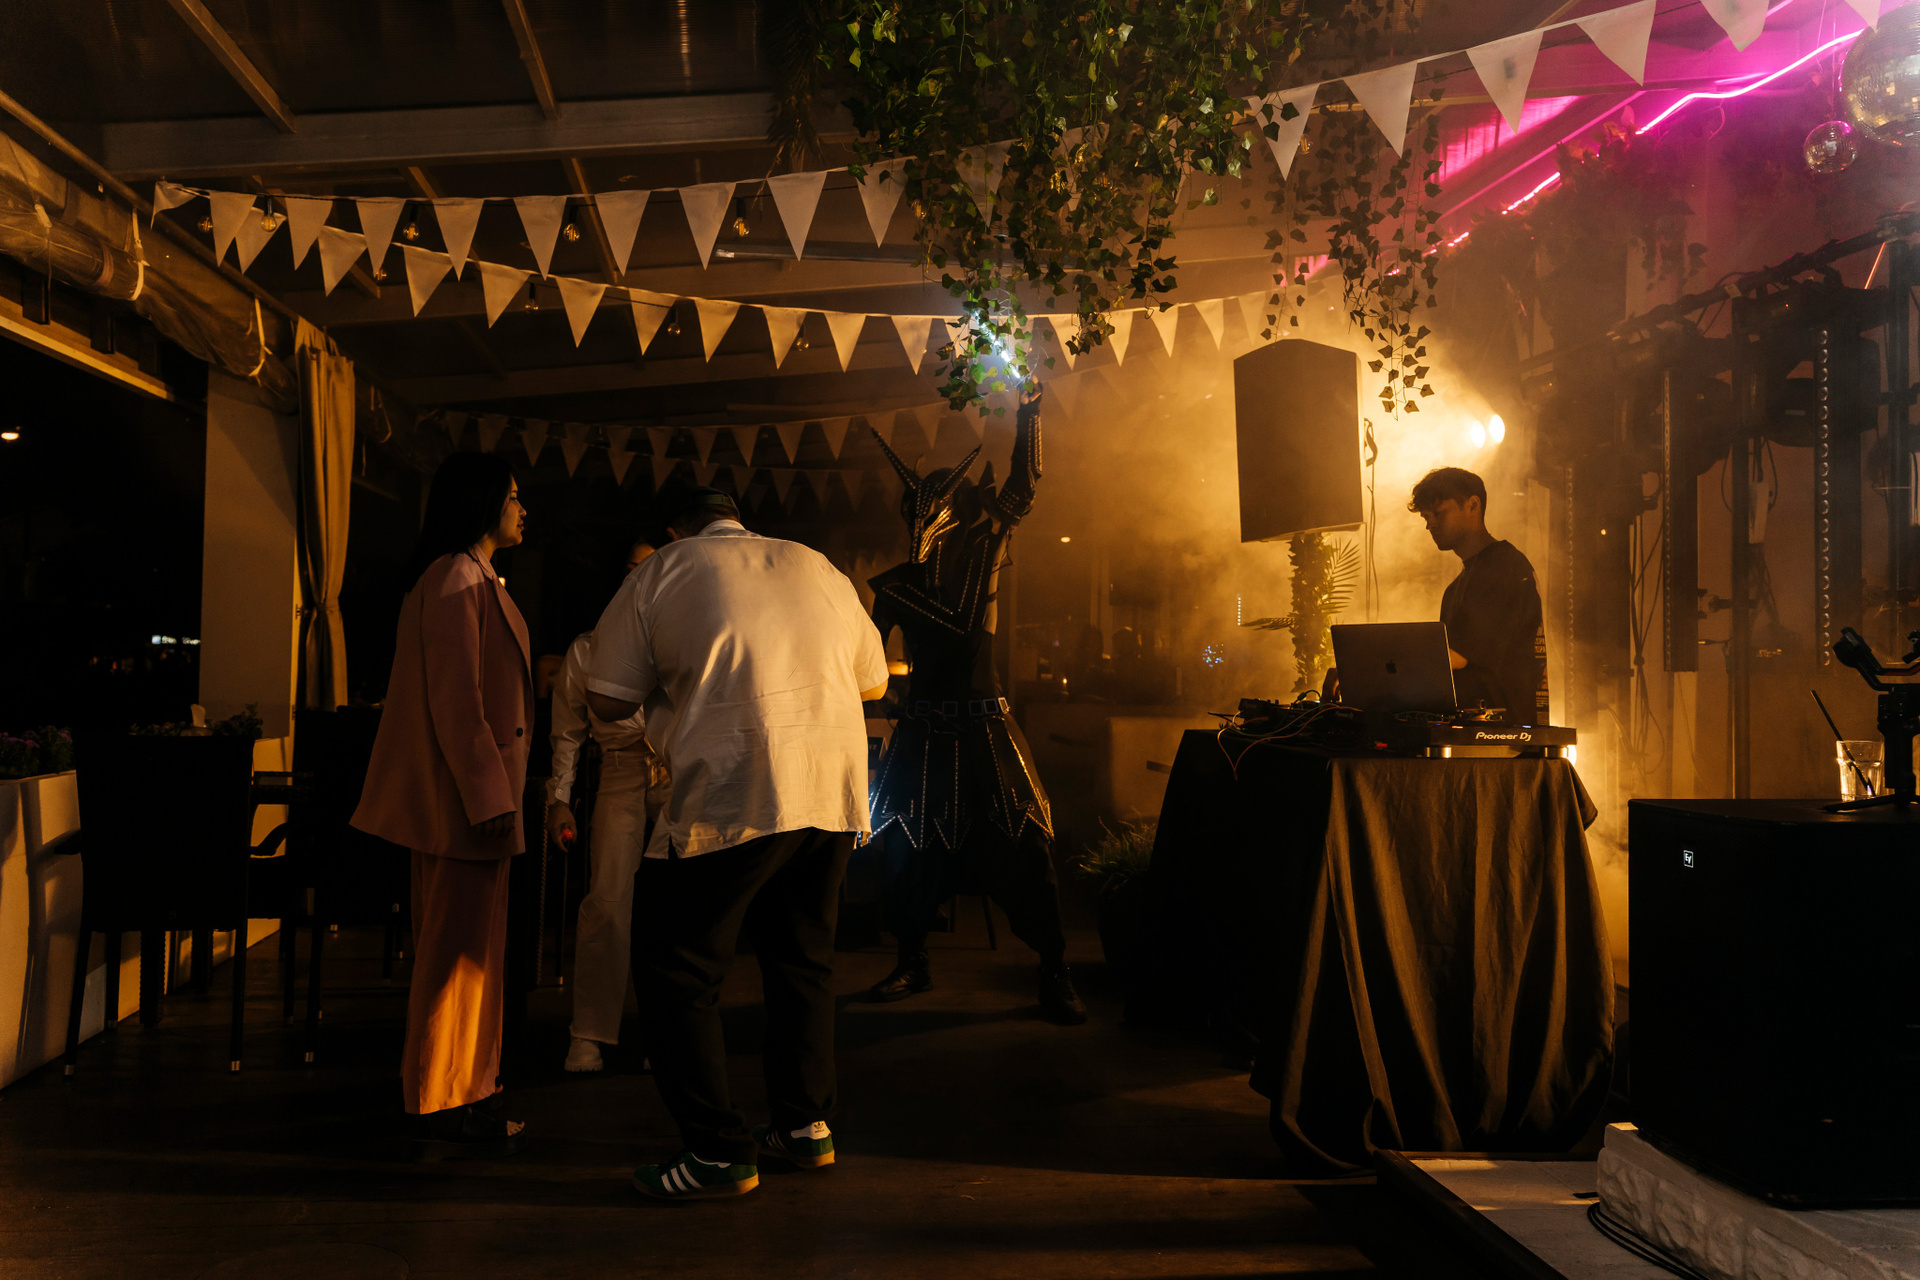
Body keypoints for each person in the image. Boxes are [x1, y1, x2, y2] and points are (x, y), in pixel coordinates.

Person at [584, 487, 888, 1201]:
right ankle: (804, 1127)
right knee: (802, 962)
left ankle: (717, 1151)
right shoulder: (815, 563)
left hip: (733, 790)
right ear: (738, 516)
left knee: (677, 968)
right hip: (829, 794)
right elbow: (873, 682)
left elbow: (605, 698)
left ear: (674, 530)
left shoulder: (661, 571)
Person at [864, 382, 1087, 1025]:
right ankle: (912, 959)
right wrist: (886, 692)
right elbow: (868, 660)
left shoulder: (988, 550)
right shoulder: (895, 587)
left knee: (1025, 850)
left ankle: (1054, 968)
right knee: (906, 847)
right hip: (923, 732)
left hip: (986, 728)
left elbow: (1021, 490)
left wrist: (1030, 414)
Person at [351, 451, 532, 1159]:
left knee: (467, 953)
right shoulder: (457, 576)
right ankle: (445, 1096)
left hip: (471, 802)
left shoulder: (465, 575)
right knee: (458, 956)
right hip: (466, 805)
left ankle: (462, 1091)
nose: (521, 509)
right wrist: (489, 795)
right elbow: (458, 702)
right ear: (482, 503)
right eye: (512, 496)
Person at [548, 537, 670, 1074]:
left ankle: (667, 1036)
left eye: (651, 568)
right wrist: (559, 800)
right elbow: (567, 734)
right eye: (632, 568)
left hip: (676, 774)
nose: (640, 577)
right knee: (606, 901)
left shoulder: (679, 640)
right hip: (620, 771)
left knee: (673, 905)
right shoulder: (588, 649)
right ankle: (589, 1034)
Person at [1409, 466, 1548, 722]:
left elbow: (1458, 656)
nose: (1430, 525)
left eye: (1438, 513)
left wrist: (1388, 666)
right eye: (1426, 517)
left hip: (1505, 732)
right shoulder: (1453, 590)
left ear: (1473, 505)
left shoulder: (1505, 566)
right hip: (1472, 730)